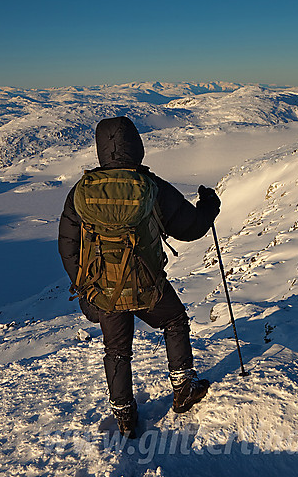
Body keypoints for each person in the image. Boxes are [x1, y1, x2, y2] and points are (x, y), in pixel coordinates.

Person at [58, 116, 221, 437]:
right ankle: (183, 388)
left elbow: (68, 246)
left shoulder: (82, 192)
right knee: (174, 322)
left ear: (101, 149)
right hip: (147, 286)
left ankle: (124, 415)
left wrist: (84, 288)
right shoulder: (151, 186)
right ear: (136, 145)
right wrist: (209, 206)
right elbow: (190, 227)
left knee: (116, 350)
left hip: (103, 290)